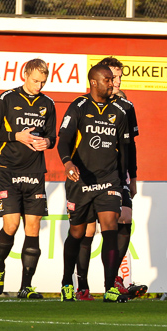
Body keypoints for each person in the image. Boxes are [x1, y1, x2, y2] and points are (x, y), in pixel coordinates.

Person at [72, 56, 146, 301]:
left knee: (124, 220)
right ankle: (81, 285)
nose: (116, 81)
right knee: (88, 230)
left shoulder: (126, 105)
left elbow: (130, 145)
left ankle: (113, 278)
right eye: (112, 76)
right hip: (90, 177)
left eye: (119, 77)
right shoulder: (85, 105)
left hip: (118, 176)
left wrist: (132, 176)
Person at [58, 64, 132, 303]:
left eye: (113, 80)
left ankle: (110, 287)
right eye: (108, 80)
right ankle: (67, 281)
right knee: (78, 232)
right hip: (80, 179)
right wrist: (68, 164)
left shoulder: (120, 110)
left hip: (108, 179)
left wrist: (125, 180)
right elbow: (64, 140)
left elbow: (125, 150)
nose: (112, 84)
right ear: (94, 82)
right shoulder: (78, 106)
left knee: (110, 226)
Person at [0, 58, 57, 298]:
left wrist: (47, 142)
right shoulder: (7, 98)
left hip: (35, 172)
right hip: (8, 170)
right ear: (24, 74)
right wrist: (15, 136)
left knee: (33, 227)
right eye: (35, 81)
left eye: (43, 82)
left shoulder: (48, 103)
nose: (39, 86)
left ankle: (26, 286)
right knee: (11, 224)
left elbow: (53, 137)